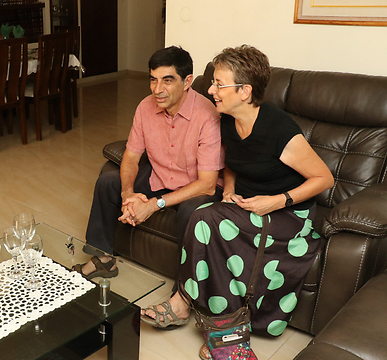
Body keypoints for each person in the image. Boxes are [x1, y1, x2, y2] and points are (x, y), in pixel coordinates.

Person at [140, 45, 334, 359]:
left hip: (287, 215)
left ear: (244, 91)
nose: (211, 90)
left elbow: (324, 179)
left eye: (219, 84)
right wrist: (229, 187)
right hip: (244, 204)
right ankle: (217, 325)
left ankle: (190, 310)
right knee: (203, 217)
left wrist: (276, 201)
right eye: (213, 82)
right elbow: (232, 164)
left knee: (205, 219)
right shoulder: (228, 119)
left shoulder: (278, 129)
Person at [72, 46, 224, 280]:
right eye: (153, 80)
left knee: (192, 213)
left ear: (187, 82)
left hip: (196, 188)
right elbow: (131, 156)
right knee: (108, 181)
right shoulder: (145, 107)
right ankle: (103, 259)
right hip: (160, 176)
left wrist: (153, 205)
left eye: (167, 81)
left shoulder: (208, 115)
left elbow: (207, 184)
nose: (157, 89)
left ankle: (185, 290)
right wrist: (127, 194)